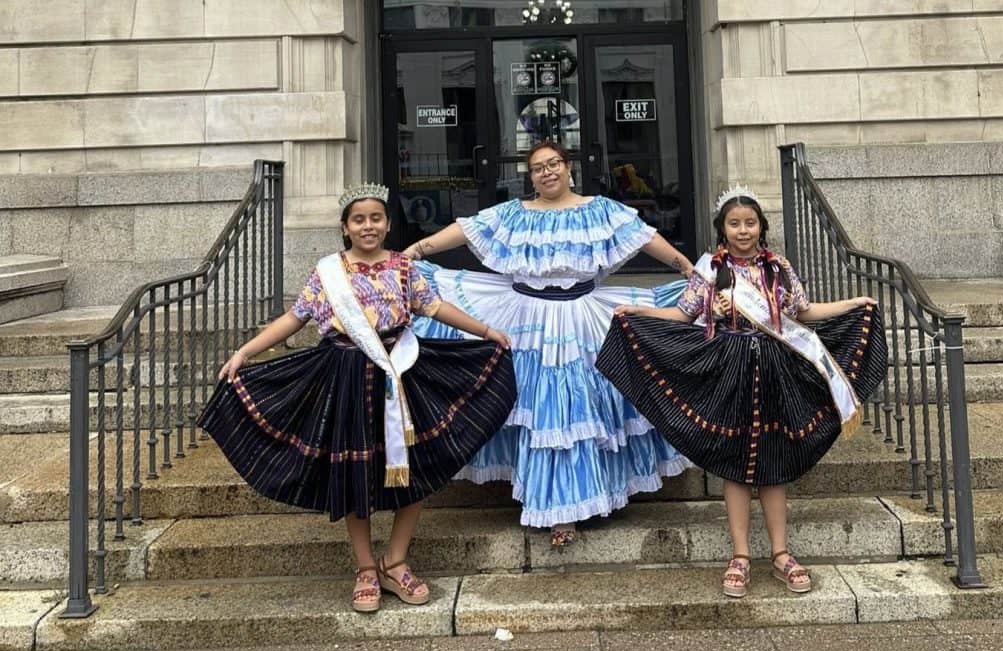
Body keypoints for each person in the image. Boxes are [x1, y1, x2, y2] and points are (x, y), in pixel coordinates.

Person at [198, 184, 516, 612]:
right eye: (359, 219)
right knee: (355, 471)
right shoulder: (328, 272)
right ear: (345, 227)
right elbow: (294, 318)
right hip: (346, 377)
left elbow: (435, 308)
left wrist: (486, 331)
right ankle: (366, 567)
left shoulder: (403, 267)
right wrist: (245, 352)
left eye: (376, 218)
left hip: (402, 374)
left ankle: (395, 561)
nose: (369, 226)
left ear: (388, 224)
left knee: (417, 466)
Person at [597, 187, 888, 595]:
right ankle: (740, 556)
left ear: (761, 227)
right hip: (730, 371)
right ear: (723, 229)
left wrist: (852, 304)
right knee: (735, 463)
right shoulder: (710, 272)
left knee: (773, 458)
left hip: (776, 371)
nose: (743, 230)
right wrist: (640, 312)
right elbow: (681, 314)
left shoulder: (778, 268)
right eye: (734, 224)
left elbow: (805, 312)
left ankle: (781, 554)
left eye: (750, 223)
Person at [403, 140, 694, 546]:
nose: (547, 172)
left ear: (569, 167)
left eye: (554, 163)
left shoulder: (599, 210)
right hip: (525, 318)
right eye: (538, 167)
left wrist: (686, 267)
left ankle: (572, 505)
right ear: (531, 176)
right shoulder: (514, 213)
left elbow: (644, 237)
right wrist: (415, 250)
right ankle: (554, 506)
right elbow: (467, 229)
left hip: (582, 315)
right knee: (539, 407)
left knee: (580, 406)